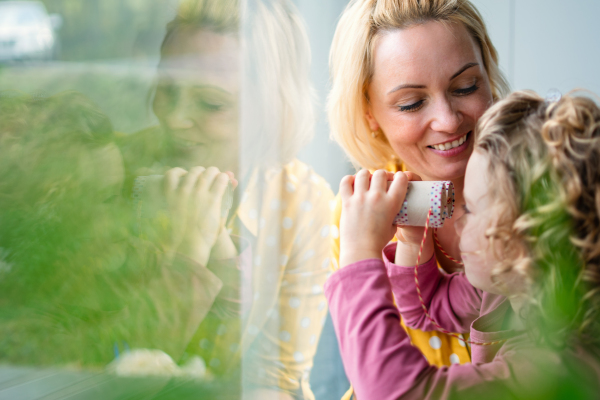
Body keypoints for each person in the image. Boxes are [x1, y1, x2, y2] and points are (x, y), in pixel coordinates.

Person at [119, 0, 333, 398]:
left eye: (212, 103)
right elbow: (111, 365)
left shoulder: (303, 200)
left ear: (267, 109)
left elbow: (276, 379)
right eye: (166, 89)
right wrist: (185, 255)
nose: (173, 117)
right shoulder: (118, 172)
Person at [326, 90, 600, 399]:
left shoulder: (556, 368)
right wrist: (414, 237)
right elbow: (426, 307)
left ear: (528, 235)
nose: (458, 222)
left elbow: (400, 393)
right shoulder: (511, 288)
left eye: (470, 209)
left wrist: (358, 253)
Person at [326, 0, 510, 388]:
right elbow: (424, 313)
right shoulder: (361, 220)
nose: (447, 120)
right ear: (370, 112)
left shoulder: (550, 186)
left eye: (466, 87)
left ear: (488, 77)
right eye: (412, 103)